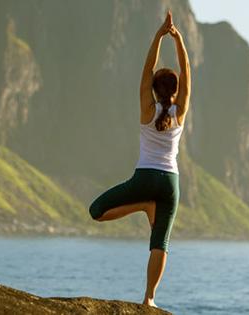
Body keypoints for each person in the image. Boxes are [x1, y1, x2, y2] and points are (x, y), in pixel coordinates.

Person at [88, 10, 191, 308]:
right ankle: (149, 299)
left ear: (154, 89)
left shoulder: (147, 110)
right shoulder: (179, 112)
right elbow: (187, 72)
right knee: (161, 243)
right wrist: (179, 40)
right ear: (174, 91)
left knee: (96, 210)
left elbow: (146, 70)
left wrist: (159, 35)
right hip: (171, 183)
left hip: (144, 177)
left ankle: (141, 205)